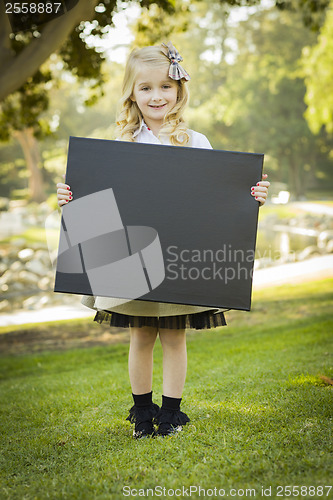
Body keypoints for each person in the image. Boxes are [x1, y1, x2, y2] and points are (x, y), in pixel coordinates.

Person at [56, 42, 270, 439]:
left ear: (179, 91)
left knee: (173, 336)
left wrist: (250, 196)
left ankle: (170, 414)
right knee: (141, 335)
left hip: (177, 258)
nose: (157, 96)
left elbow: (217, 199)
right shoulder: (120, 146)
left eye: (166, 87)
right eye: (146, 88)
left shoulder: (196, 142)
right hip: (131, 261)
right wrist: (70, 197)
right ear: (132, 94)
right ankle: (142, 413)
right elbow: (100, 203)